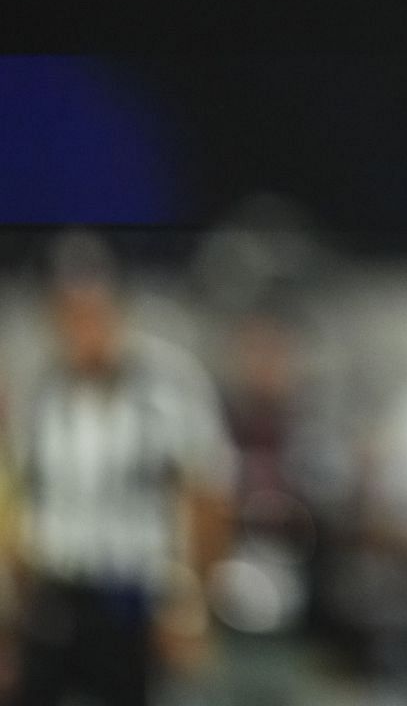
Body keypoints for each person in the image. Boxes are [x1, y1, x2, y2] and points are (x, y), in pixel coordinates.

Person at [0, 232, 238, 706]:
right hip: (58, 595)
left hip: (138, 597)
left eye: (93, 310)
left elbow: (207, 497)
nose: (83, 327)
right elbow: (18, 501)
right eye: (69, 311)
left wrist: (191, 609)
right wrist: (13, 617)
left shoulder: (170, 384)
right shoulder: (38, 391)